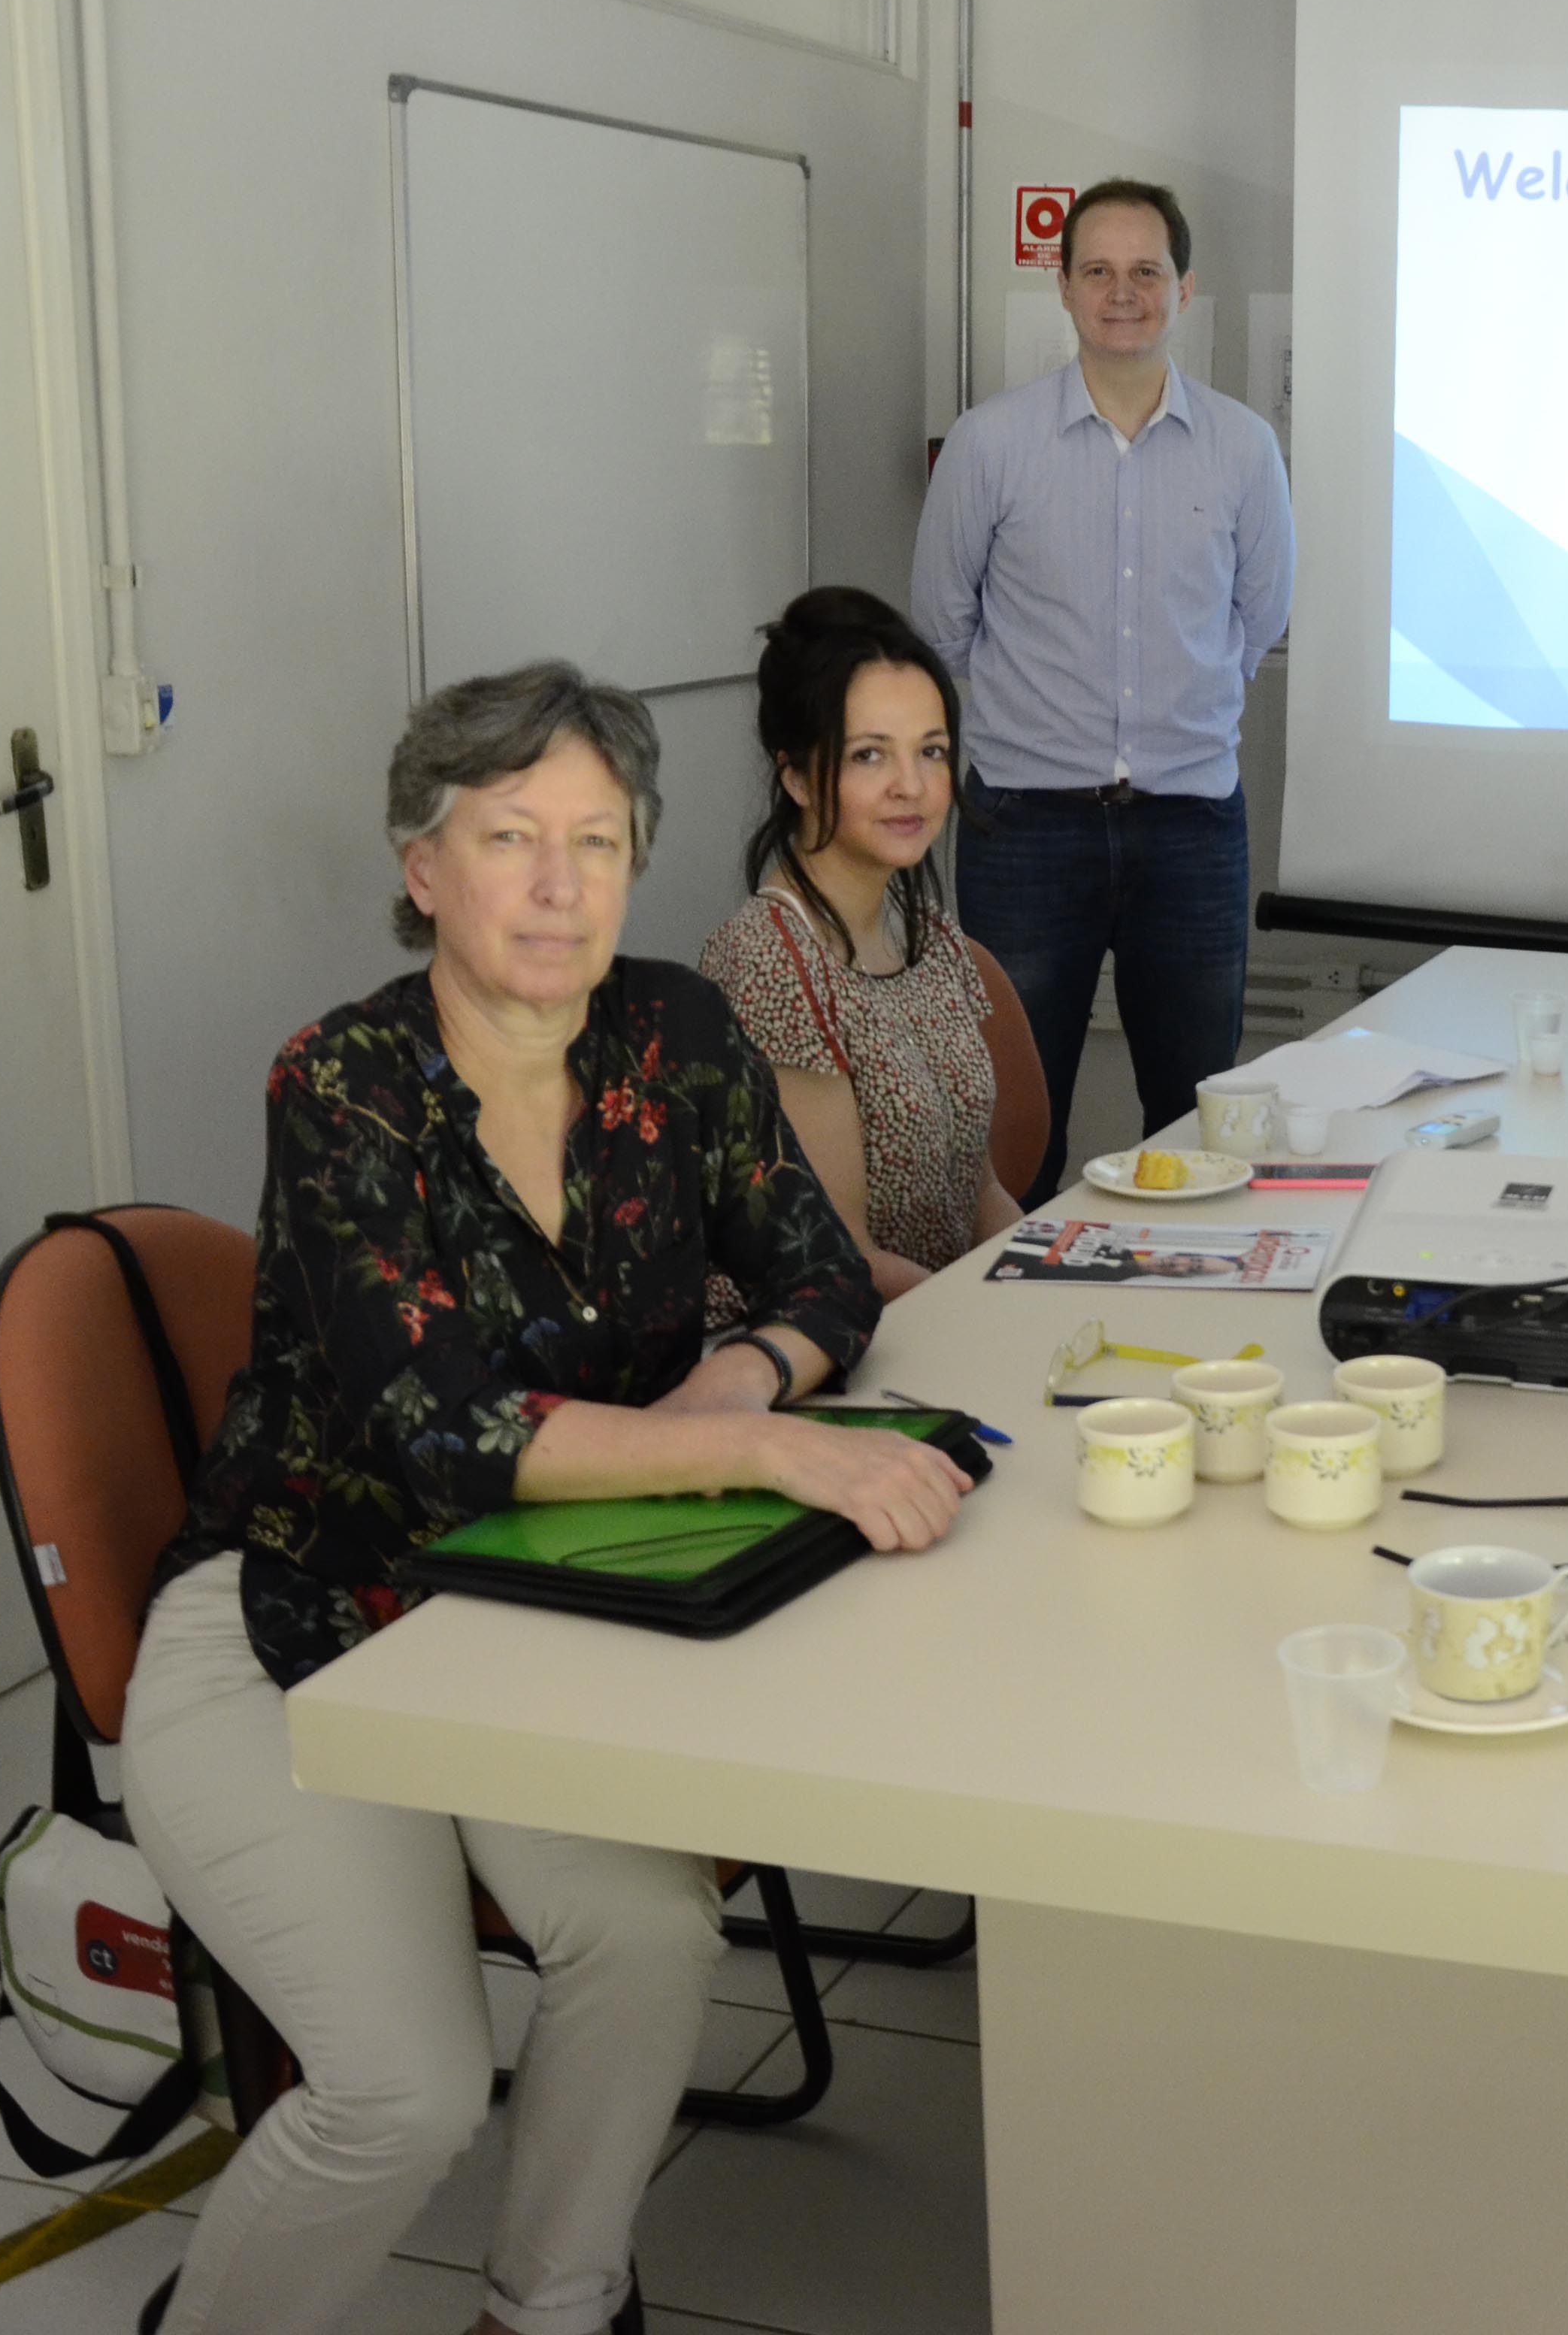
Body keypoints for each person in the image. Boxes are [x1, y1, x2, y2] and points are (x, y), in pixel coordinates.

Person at [126, 663, 977, 2335]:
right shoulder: (343, 1083)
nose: (559, 884)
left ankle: (551, 2307)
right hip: (292, 1617)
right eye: (510, 836)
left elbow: (822, 1273)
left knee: (651, 1937)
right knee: (409, 2083)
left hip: (541, 1605)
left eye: (598, 840)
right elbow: (444, 1429)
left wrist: (739, 1384)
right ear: (421, 865)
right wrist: (760, 1449)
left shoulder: (678, 1033)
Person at [913, 177, 1293, 1202]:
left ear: (1184, 288)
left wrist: (1179, 709)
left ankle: (1190, 1296)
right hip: (1025, 828)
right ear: (1064, 286)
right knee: (1017, 1129)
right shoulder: (991, 443)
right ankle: (1010, 1297)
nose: (1123, 293)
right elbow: (941, 622)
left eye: (1145, 272)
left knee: (1196, 1122)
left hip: (1192, 827)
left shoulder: (1243, 448)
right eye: (1098, 271)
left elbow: (1260, 618)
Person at [703, 588, 1022, 1301]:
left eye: (932, 752)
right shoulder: (769, 960)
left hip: (932, 1313)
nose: (912, 786)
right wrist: (999, 1325)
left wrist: (1050, 1281)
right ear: (795, 776)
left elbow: (982, 1194)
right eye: (870, 756)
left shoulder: (929, 930)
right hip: (813, 1336)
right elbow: (844, 1257)